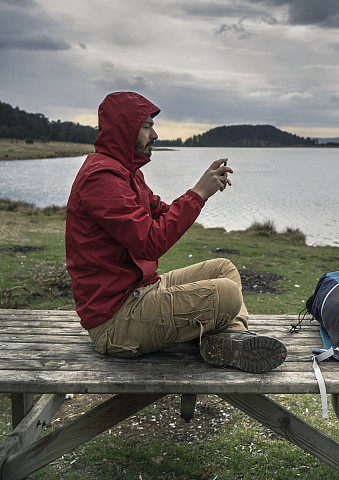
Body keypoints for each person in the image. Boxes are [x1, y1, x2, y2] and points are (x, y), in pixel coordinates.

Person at [65, 91, 287, 373]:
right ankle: (228, 337)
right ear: (125, 129)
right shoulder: (101, 178)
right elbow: (150, 242)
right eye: (146, 126)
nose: (155, 134)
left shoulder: (127, 173)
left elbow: (162, 212)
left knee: (224, 268)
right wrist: (199, 194)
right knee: (227, 296)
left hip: (141, 291)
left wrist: (199, 191)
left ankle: (233, 338)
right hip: (116, 321)